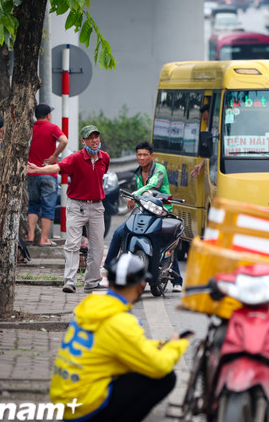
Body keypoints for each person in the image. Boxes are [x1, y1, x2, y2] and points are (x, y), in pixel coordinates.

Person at [49, 253, 190, 422]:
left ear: (110, 282)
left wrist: (157, 345)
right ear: (141, 286)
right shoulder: (120, 321)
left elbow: (127, 348)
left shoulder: (91, 306)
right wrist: (177, 345)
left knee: (136, 365)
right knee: (165, 378)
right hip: (83, 406)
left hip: (64, 400)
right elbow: (159, 366)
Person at [28, 125, 109, 294]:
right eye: (90, 137)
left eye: (96, 137)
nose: (94, 140)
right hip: (76, 206)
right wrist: (39, 170)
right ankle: (70, 281)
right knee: (72, 244)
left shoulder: (105, 158)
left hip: (96, 206)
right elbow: (57, 168)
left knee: (97, 246)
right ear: (83, 141)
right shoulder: (75, 158)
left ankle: (92, 282)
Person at [105, 141, 183, 292]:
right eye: (139, 155)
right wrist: (134, 200)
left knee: (164, 241)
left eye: (145, 155)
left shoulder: (159, 170)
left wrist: (135, 195)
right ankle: (108, 266)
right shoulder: (138, 172)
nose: (142, 158)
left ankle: (177, 280)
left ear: (152, 156)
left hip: (162, 211)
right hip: (144, 211)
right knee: (120, 232)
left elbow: (151, 186)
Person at [27, 103, 68, 247]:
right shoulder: (53, 128)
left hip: (31, 173)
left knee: (33, 205)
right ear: (48, 115)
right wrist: (54, 156)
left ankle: (30, 235)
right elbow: (64, 140)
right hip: (49, 172)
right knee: (48, 207)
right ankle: (44, 239)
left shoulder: (29, 129)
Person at [190, 104, 211, 178]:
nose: (205, 122)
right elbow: (209, 153)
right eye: (204, 119)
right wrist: (200, 165)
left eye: (207, 119)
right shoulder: (208, 130)